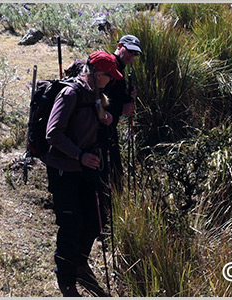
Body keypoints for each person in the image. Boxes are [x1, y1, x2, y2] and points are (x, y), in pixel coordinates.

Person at [43, 51, 122, 297]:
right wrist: (79, 155)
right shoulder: (70, 94)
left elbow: (90, 123)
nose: (111, 81)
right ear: (99, 75)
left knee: (95, 220)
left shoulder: (95, 96)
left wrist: (106, 119)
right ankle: (66, 281)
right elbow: (53, 133)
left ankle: (79, 264)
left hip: (86, 168)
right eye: (109, 77)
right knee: (71, 226)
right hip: (65, 170)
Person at [98, 35, 141, 191]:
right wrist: (121, 108)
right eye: (129, 51)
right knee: (111, 172)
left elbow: (113, 96)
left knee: (115, 171)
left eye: (135, 54)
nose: (131, 56)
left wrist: (127, 96)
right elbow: (97, 99)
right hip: (100, 130)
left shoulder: (119, 68)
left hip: (110, 128)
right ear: (119, 45)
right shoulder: (109, 67)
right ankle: (111, 205)